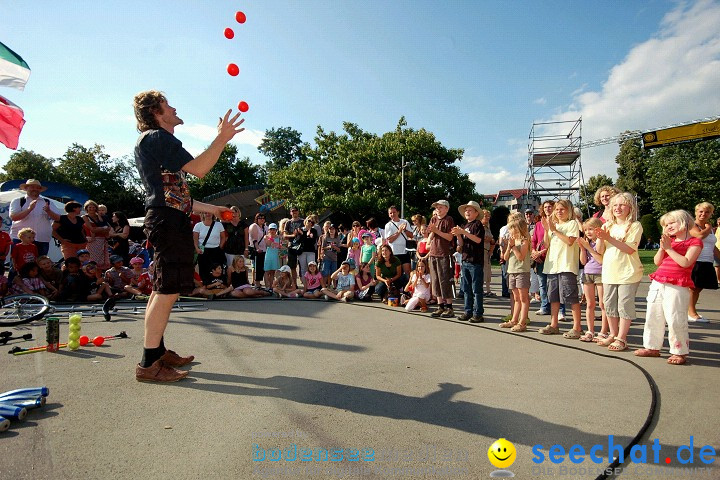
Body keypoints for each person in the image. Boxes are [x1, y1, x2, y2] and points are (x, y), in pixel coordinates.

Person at [132, 89, 243, 382]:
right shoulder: (157, 138)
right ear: (156, 112)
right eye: (167, 105)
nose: (174, 107)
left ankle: (156, 351)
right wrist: (222, 138)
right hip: (167, 221)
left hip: (169, 217)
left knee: (161, 289)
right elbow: (200, 168)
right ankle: (148, 364)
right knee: (167, 289)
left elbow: (176, 197)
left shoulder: (156, 143)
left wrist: (214, 210)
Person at [635, 210, 702, 365]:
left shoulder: (694, 242)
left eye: (672, 222)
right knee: (653, 315)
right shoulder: (669, 241)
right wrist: (663, 247)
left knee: (675, 318)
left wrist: (670, 249)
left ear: (685, 222)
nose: (668, 226)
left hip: (678, 284)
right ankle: (652, 346)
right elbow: (657, 262)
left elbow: (686, 262)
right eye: (666, 224)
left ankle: (679, 351)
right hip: (659, 281)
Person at [595, 192, 644, 352]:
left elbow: (630, 249)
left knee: (624, 305)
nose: (618, 208)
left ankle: (622, 338)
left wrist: (608, 238)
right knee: (608, 304)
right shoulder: (606, 226)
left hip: (628, 272)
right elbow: (599, 250)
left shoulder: (634, 225)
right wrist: (601, 238)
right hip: (609, 271)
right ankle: (613, 334)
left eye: (622, 204)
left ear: (630, 207)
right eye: (615, 205)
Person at [537, 200, 583, 338]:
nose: (559, 212)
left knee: (571, 297)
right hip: (552, 267)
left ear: (569, 211)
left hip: (566, 265)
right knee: (553, 297)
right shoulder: (554, 226)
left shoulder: (572, 224)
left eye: (562, 209)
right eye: (557, 210)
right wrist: (547, 230)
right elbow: (546, 244)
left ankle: (577, 327)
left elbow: (570, 241)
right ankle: (554, 324)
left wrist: (555, 230)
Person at [451, 201, 485, 323]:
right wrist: (458, 236)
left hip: (475, 261)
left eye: (470, 210)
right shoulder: (465, 225)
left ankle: (478, 313)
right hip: (465, 260)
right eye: (466, 210)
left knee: (476, 289)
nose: (467, 212)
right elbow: (461, 244)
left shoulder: (478, 225)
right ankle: (468, 311)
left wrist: (463, 233)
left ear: (476, 213)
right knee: (466, 288)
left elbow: (478, 240)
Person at [9, 179, 61, 257]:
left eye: (37, 187)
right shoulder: (18, 201)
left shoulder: (47, 202)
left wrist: (49, 211)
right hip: (20, 239)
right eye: (32, 187)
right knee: (18, 264)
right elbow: (14, 217)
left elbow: (58, 218)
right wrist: (29, 209)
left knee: (40, 265)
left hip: (41, 239)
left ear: (40, 190)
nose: (35, 189)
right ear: (26, 188)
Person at [499, 213, 531, 331]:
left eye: (513, 229)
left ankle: (522, 322)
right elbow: (506, 257)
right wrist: (508, 247)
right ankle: (514, 319)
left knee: (523, 298)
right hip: (511, 270)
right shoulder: (513, 240)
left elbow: (521, 257)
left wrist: (512, 247)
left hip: (522, 271)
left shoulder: (524, 240)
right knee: (516, 298)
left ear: (520, 229)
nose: (511, 231)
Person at [577, 218, 608, 342]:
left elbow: (600, 258)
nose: (588, 232)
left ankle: (603, 331)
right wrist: (583, 248)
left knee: (602, 304)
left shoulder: (601, 241)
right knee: (590, 304)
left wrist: (588, 248)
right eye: (586, 230)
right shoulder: (587, 243)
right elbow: (583, 261)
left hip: (600, 273)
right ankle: (590, 330)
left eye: (591, 229)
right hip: (588, 273)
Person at [687, 202, 718, 322]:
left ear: (711, 214)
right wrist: (709, 228)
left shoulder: (708, 229)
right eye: (700, 211)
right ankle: (691, 313)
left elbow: (713, 246)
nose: (703, 214)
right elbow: (699, 236)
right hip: (696, 260)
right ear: (696, 212)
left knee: (698, 288)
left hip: (707, 261)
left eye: (707, 212)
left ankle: (691, 311)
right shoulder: (692, 225)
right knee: (693, 288)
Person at [427, 200, 455, 318]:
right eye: (437, 207)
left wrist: (436, 231)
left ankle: (449, 307)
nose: (438, 209)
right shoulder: (433, 219)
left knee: (445, 280)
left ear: (446, 209)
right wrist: (431, 234)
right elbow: (430, 235)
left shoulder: (449, 220)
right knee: (436, 280)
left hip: (444, 253)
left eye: (441, 207)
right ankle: (440, 306)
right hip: (433, 253)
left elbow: (449, 237)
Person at [531, 201, 555, 315]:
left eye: (550, 206)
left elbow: (555, 242)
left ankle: (558, 309)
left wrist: (540, 252)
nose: (547, 209)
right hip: (540, 259)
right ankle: (545, 306)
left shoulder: (557, 222)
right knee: (542, 284)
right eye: (545, 207)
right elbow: (534, 241)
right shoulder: (538, 224)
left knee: (554, 285)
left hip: (553, 258)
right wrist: (534, 252)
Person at [193, 212, 227, 281]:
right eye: (206, 213)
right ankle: (206, 285)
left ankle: (217, 285)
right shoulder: (198, 225)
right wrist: (197, 248)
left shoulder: (219, 225)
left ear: (213, 214)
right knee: (203, 269)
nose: (208, 214)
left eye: (210, 213)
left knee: (217, 269)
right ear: (203, 214)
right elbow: (195, 239)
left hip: (216, 250)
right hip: (203, 251)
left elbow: (223, 237)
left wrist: (220, 247)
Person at [384, 205, 414, 277]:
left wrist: (405, 230)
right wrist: (399, 231)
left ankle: (407, 287)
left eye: (394, 212)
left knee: (407, 272)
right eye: (390, 213)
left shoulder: (405, 222)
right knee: (396, 274)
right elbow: (390, 240)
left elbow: (411, 235)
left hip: (405, 251)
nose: (392, 214)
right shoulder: (388, 225)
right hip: (394, 253)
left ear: (398, 212)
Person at [82, 200, 112, 271]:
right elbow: (92, 229)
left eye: (93, 207)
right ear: (86, 208)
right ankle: (90, 275)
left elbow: (109, 228)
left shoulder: (100, 216)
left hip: (102, 240)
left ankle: (99, 277)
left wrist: (99, 229)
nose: (92, 209)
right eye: (90, 207)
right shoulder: (85, 217)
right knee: (92, 260)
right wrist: (102, 229)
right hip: (92, 240)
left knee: (101, 260)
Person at [283, 207, 305, 287]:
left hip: (301, 246)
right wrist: (293, 235)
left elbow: (306, 233)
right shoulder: (288, 222)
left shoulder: (303, 221)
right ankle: (294, 283)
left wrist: (300, 232)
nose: (294, 212)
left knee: (303, 266)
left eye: (296, 211)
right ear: (290, 213)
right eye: (293, 211)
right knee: (292, 266)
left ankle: (305, 283)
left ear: (298, 212)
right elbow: (284, 235)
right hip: (292, 246)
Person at [248, 213, 267, 287]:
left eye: (263, 218)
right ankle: (257, 284)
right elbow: (254, 239)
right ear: (256, 219)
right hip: (256, 250)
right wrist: (257, 248)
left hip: (264, 250)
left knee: (263, 268)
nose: (262, 219)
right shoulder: (254, 226)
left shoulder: (265, 227)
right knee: (257, 267)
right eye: (260, 218)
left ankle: (265, 284)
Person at [481, 209, 495, 297]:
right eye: (485, 216)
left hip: (488, 252)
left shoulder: (487, 227)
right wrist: (491, 240)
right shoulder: (480, 226)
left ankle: (488, 290)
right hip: (482, 251)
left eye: (488, 216)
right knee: (483, 271)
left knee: (488, 271)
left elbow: (492, 239)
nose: (488, 218)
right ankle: (482, 290)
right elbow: (485, 238)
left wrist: (491, 240)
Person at [263, 223, 282, 287]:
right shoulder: (266, 237)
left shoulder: (279, 237)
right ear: (269, 230)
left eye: (274, 229)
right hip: (268, 256)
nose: (272, 231)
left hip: (275, 257)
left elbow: (281, 246)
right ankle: (267, 286)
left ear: (276, 230)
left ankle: (270, 286)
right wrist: (271, 237)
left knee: (272, 272)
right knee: (267, 271)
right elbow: (268, 244)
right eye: (271, 229)